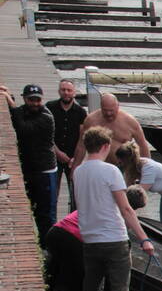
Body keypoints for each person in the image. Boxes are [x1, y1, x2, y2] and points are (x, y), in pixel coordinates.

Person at [75, 127, 157, 291]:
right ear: (105, 146)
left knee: (91, 288)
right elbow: (126, 209)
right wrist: (143, 238)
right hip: (113, 239)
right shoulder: (110, 170)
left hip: (89, 239)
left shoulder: (79, 172)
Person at [45, 186, 148, 291]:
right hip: (73, 239)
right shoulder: (119, 216)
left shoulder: (102, 201)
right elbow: (118, 245)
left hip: (56, 232)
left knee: (60, 271)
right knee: (76, 280)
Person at [0, 83, 58, 242]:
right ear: (25, 99)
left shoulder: (46, 118)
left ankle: (48, 247)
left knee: (46, 214)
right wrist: (8, 96)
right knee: (29, 207)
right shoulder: (25, 110)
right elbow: (17, 115)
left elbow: (22, 128)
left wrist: (11, 104)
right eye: (31, 100)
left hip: (44, 171)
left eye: (37, 100)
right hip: (30, 168)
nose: (35, 103)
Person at [72, 93, 150, 167]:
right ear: (101, 107)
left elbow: (143, 145)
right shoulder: (91, 120)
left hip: (124, 167)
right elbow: (81, 145)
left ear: (118, 106)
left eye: (111, 110)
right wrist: (75, 167)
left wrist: (147, 168)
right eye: (105, 110)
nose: (108, 113)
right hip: (99, 166)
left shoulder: (130, 122)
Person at [46, 79, 87, 212]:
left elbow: (82, 138)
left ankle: (73, 222)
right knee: (52, 191)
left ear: (74, 93)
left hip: (73, 158)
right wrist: (58, 153)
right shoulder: (49, 107)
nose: (66, 93)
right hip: (53, 155)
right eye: (63, 90)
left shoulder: (80, 112)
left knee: (75, 193)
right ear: (59, 91)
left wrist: (76, 159)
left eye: (69, 90)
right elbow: (46, 134)